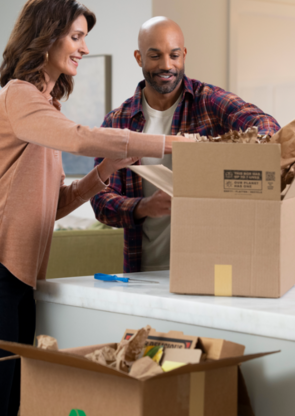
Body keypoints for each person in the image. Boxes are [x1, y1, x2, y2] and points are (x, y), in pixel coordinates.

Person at [0, 0, 188, 416]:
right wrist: (172, 144)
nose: (83, 47)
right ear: (47, 36)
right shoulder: (18, 98)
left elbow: (51, 205)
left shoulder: (45, 107)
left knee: (5, 415)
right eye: (76, 37)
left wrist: (104, 172)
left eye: (84, 38)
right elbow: (81, 138)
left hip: (14, 276)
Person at [91, 17, 280, 274]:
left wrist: (240, 157)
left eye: (174, 55)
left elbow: (266, 125)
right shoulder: (117, 121)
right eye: (155, 56)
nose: (166, 65)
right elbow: (101, 203)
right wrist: (145, 206)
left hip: (212, 266)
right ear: (139, 58)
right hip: (144, 270)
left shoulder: (209, 101)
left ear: (184, 55)